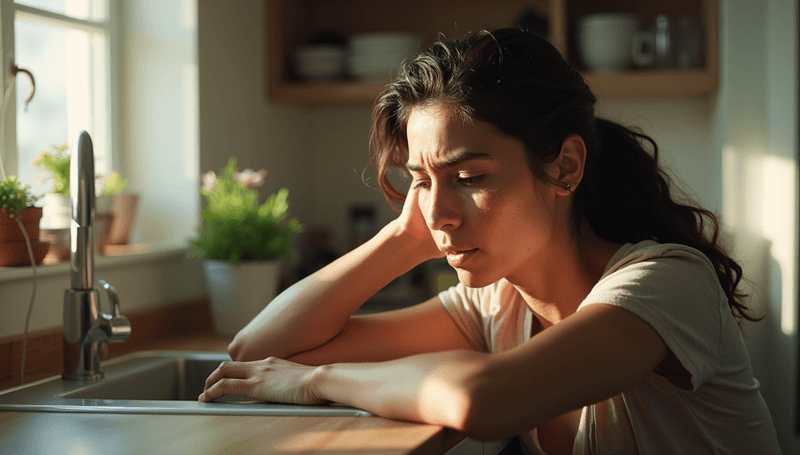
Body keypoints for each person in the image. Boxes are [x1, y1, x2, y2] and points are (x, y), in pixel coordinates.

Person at [199, 28, 781, 454]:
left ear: (564, 167)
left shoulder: (666, 282)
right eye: (421, 181)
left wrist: (315, 383)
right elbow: (256, 352)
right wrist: (403, 237)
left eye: (469, 178)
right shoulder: (497, 302)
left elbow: (483, 398)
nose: (438, 211)